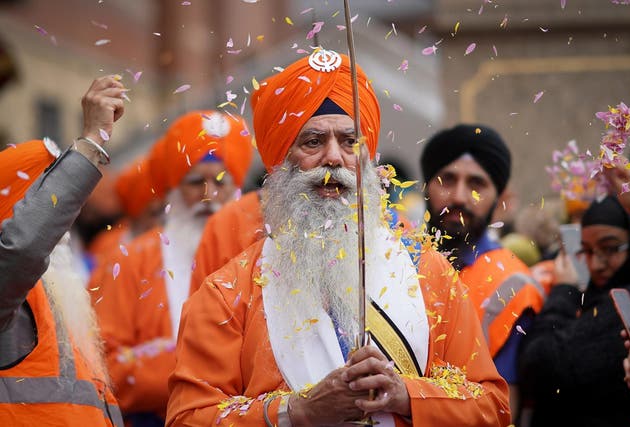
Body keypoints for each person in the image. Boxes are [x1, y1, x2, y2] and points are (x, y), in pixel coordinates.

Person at [166, 49, 510, 427]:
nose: (334, 158)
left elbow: (492, 405)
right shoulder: (229, 292)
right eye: (313, 142)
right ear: (280, 161)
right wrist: (297, 412)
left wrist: (407, 395)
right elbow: (187, 418)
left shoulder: (428, 271)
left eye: (350, 142)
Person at [90, 110, 253, 426]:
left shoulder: (258, 255)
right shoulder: (131, 259)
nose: (208, 196)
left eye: (220, 181)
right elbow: (101, 367)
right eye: (195, 183)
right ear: (175, 190)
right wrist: (196, 368)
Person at [0, 76, 126, 426]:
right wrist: (89, 145)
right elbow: (23, 247)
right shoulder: (9, 292)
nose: (65, 218)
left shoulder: (60, 295)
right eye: (45, 196)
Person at [419, 124, 545, 420]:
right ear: (426, 187)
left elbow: (502, 410)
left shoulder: (512, 282)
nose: (460, 197)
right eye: (447, 179)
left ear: (499, 199)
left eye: (476, 184)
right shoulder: (392, 260)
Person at [518, 159, 630, 426]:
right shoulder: (588, 294)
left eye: (610, 248)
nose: (596, 264)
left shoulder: (628, 302)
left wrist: (564, 292)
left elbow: (539, 365)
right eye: (586, 250)